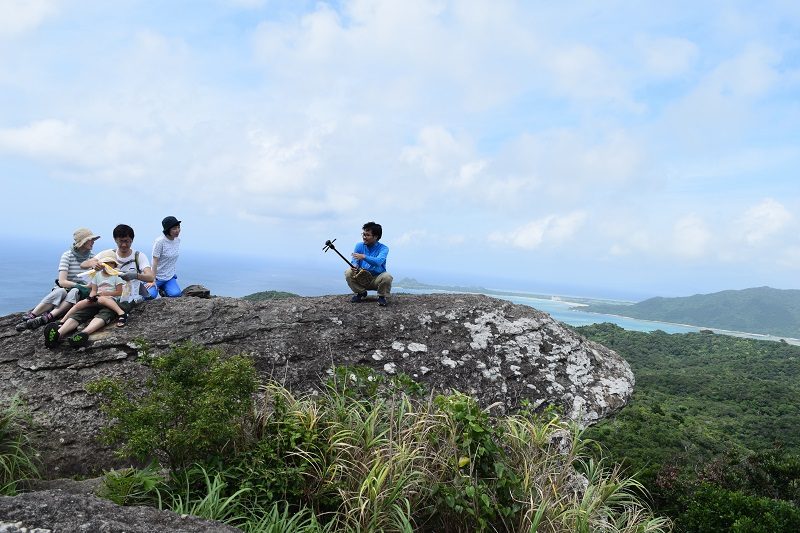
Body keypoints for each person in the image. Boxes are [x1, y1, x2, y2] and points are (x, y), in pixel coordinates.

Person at [44, 224, 154, 348]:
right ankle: (58, 334)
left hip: (125, 296)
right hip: (102, 293)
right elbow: (84, 264)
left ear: (132, 240)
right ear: (115, 240)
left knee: (107, 312)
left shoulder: (138, 256)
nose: (124, 245)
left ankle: (83, 334)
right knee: (84, 310)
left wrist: (135, 275)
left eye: (127, 241)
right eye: (121, 241)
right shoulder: (108, 254)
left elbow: (150, 277)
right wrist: (94, 264)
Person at [15, 228, 101, 331]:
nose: (93, 242)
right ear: (83, 241)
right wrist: (79, 285)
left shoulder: (93, 257)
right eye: (90, 239)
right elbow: (62, 281)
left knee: (74, 291)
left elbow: (94, 280)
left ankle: (47, 317)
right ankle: (33, 314)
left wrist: (82, 287)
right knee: (60, 290)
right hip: (67, 288)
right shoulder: (67, 255)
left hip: (80, 292)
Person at [60, 252, 127, 328]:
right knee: (80, 304)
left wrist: (106, 293)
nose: (108, 265)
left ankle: (121, 313)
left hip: (111, 298)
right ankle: (62, 321)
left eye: (111, 263)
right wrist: (91, 297)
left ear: (115, 265)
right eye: (105, 263)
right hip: (97, 297)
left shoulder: (116, 276)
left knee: (102, 300)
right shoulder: (97, 275)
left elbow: (119, 292)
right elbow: (94, 290)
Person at [345, 221, 393, 307]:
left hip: (376, 279)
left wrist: (364, 257)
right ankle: (361, 292)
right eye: (363, 234)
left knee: (387, 277)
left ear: (375, 237)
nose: (364, 237)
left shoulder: (384, 248)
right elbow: (354, 260)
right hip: (361, 277)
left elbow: (378, 262)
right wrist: (355, 265)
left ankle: (381, 296)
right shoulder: (359, 245)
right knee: (348, 272)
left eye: (367, 235)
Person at [148, 215, 182, 298]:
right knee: (150, 295)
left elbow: (172, 259)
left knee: (176, 294)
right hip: (157, 277)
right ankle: (154, 286)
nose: (177, 230)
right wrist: (152, 279)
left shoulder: (177, 240)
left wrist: (172, 272)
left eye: (178, 227)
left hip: (169, 277)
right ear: (167, 230)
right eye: (174, 228)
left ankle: (163, 289)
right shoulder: (160, 242)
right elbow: (155, 261)